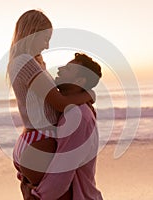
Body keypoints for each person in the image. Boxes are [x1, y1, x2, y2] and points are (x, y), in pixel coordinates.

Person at [6, 10, 95, 199]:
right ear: (33, 32)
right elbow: (60, 103)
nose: (47, 46)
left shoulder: (30, 61)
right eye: (45, 38)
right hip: (40, 139)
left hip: (33, 140)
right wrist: (88, 94)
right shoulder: (25, 62)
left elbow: (52, 96)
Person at [23, 53, 103, 200]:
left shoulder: (77, 116)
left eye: (68, 69)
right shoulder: (68, 110)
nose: (60, 69)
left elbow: (63, 171)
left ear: (79, 81)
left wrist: (37, 196)